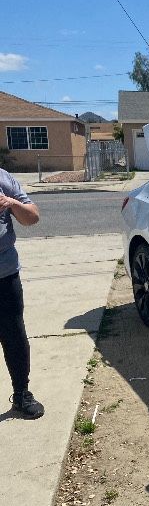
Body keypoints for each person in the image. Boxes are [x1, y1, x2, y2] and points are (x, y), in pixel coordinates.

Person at [0, 168, 45, 419]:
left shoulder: (3, 178)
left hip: (5, 275)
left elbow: (32, 217)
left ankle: (21, 395)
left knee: (14, 337)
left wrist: (11, 202)